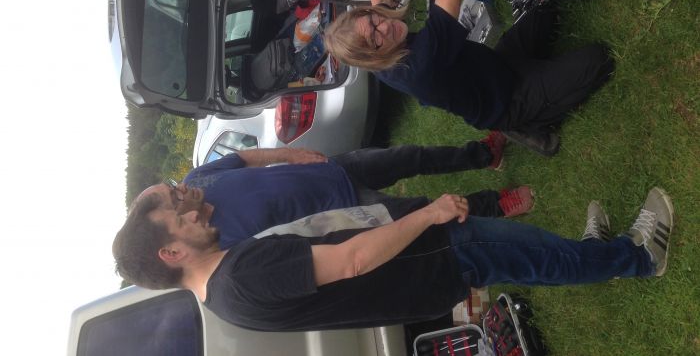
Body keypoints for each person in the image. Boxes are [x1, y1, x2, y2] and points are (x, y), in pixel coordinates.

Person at [112, 186, 673, 332]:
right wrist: (427, 216)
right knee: (533, 257)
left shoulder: (222, 298)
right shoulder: (241, 277)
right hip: (432, 258)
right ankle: (639, 257)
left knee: (531, 254)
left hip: (423, 273)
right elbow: (352, 261)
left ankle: (598, 251)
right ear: (172, 252)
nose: (194, 213)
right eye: (181, 219)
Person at [323, 0, 616, 156]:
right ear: (372, 56)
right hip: (509, 102)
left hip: (498, 66)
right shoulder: (420, 65)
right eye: (375, 38)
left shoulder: (377, 48)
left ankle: (534, 84)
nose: (385, 27)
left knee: (541, 4)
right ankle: (526, 125)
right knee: (598, 59)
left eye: (374, 21)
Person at [138, 136, 534, 250]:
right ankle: (497, 205)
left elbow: (242, 157)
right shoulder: (217, 242)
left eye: (173, 186)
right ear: (176, 220)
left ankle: (484, 154)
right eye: (175, 196)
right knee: (424, 213)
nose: (182, 188)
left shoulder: (200, 176)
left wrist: (290, 154)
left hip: (333, 170)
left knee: (410, 156)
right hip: (347, 212)